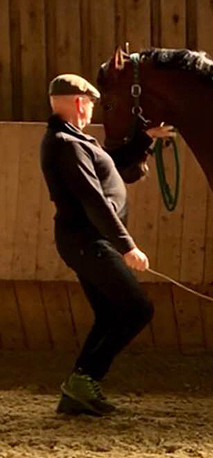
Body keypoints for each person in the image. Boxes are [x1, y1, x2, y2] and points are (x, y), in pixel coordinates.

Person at [40, 74, 173, 416]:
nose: (92, 112)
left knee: (110, 313)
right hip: (88, 241)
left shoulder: (74, 140)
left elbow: (112, 165)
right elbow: (93, 200)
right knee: (137, 308)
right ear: (80, 103)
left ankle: (79, 387)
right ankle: (84, 379)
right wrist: (127, 247)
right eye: (92, 106)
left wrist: (145, 137)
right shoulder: (67, 145)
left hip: (87, 241)